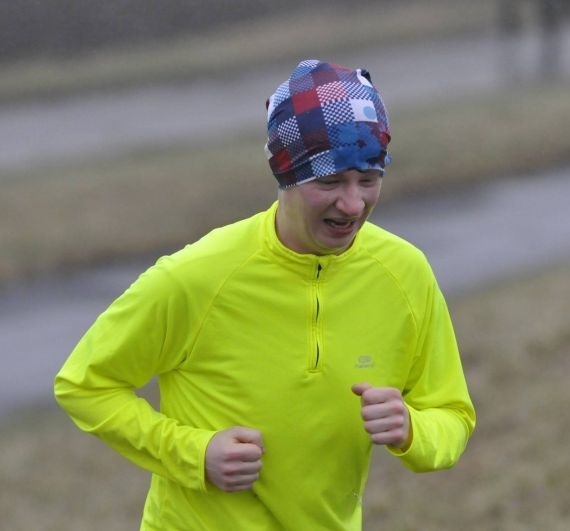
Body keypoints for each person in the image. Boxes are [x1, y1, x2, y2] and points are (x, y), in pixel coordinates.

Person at [54, 59, 476, 530]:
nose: (353, 203)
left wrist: (413, 430)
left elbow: (452, 414)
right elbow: (84, 385)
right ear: (286, 176)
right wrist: (195, 454)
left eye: (369, 178)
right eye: (330, 181)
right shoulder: (196, 276)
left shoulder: (406, 273)